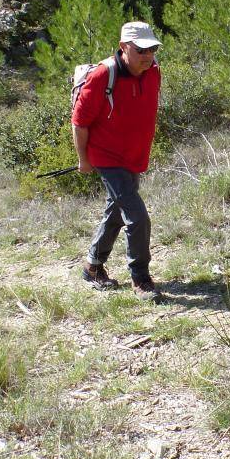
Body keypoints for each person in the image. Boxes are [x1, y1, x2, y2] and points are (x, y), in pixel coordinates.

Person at [72, 21, 163, 300]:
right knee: (137, 217)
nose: (147, 55)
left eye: (152, 49)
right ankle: (141, 278)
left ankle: (93, 266)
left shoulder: (153, 71)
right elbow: (79, 121)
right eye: (140, 50)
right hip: (107, 157)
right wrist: (83, 160)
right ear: (124, 47)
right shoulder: (103, 75)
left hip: (132, 156)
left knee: (116, 210)